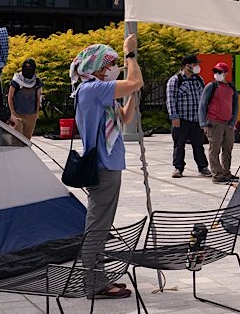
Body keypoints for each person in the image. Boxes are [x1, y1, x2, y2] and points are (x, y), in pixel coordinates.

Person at [70, 35, 143, 300]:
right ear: (97, 66)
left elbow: (123, 117)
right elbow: (135, 80)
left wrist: (132, 94)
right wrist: (131, 55)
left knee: (101, 223)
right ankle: (92, 282)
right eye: (109, 64)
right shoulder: (91, 89)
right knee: (98, 225)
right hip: (103, 166)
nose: (113, 69)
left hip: (108, 164)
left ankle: (97, 278)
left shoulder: (97, 90)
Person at [166, 54, 210, 178]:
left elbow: (204, 99)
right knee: (179, 145)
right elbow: (170, 99)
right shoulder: (175, 80)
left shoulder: (199, 79)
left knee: (198, 145)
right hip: (182, 120)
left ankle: (203, 167)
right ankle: (178, 168)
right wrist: (174, 116)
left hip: (196, 120)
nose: (197, 67)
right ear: (187, 65)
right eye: (195, 64)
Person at [199, 62, 239, 184]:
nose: (217, 74)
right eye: (215, 71)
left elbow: (235, 105)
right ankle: (217, 175)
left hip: (228, 123)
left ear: (226, 73)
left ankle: (226, 172)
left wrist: (233, 122)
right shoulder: (211, 86)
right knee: (214, 149)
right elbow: (202, 105)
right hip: (214, 122)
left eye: (220, 72)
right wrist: (203, 124)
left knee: (228, 148)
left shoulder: (231, 87)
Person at [8, 58, 42, 139]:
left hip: (31, 115)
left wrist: (36, 114)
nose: (28, 69)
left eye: (30, 67)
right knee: (16, 139)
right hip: (18, 115)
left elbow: (38, 98)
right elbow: (10, 97)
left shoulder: (37, 82)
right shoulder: (16, 80)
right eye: (26, 67)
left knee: (27, 140)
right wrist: (13, 112)